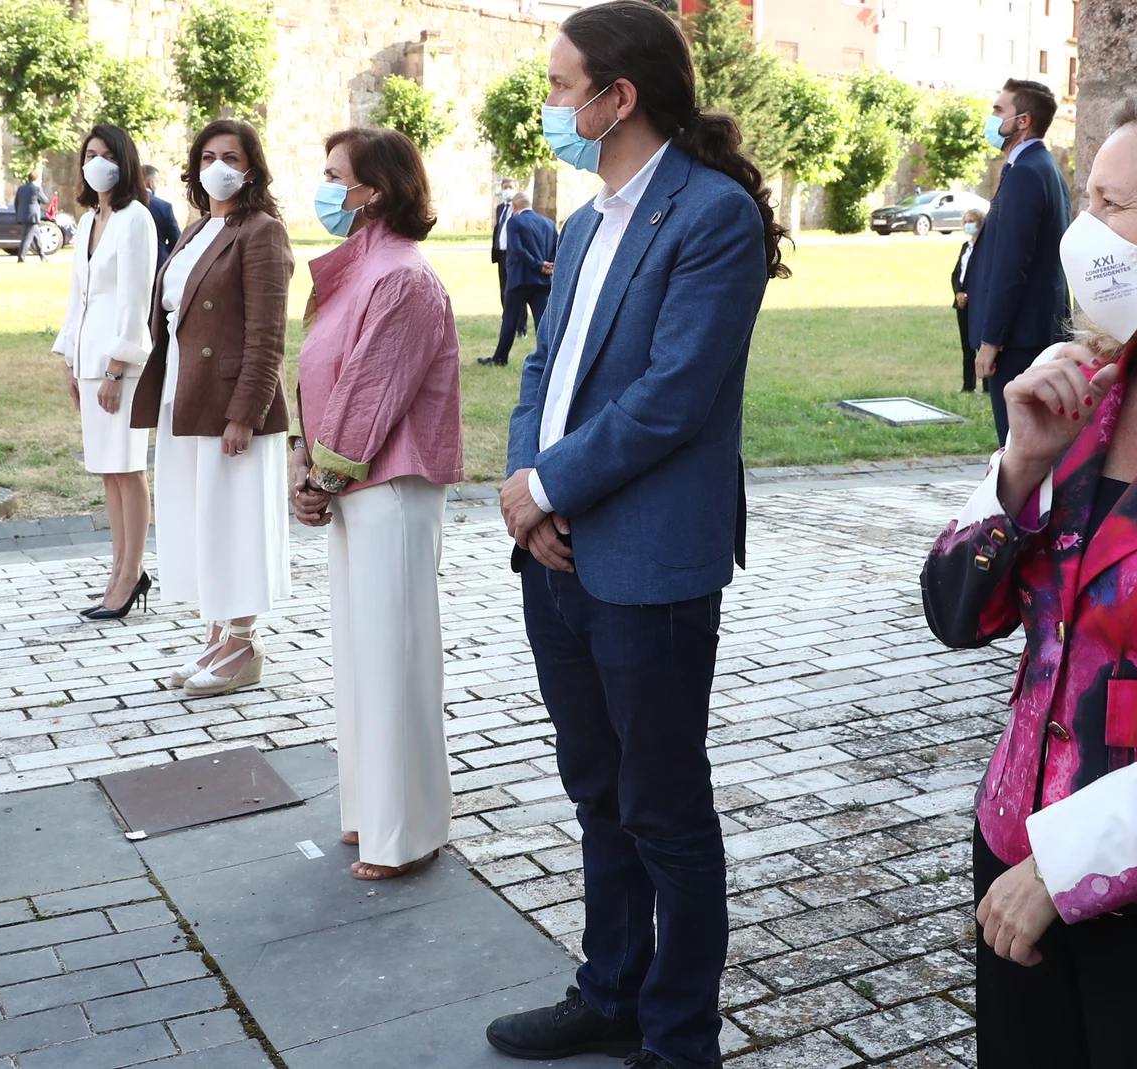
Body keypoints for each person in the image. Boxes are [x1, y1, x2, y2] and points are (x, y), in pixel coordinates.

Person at [923, 82, 1137, 1069]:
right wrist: (1018, 467)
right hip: (1016, 858)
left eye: (1114, 208)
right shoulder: (1082, 394)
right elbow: (955, 611)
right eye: (1085, 202)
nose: (1085, 235)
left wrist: (1068, 862)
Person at [483, 2, 785, 1066]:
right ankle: (609, 988)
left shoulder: (709, 218)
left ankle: (677, 1033)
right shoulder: (579, 221)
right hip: (556, 548)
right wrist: (528, 485)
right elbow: (540, 369)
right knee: (596, 790)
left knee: (662, 806)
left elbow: (672, 397)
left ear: (620, 97)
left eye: (563, 87)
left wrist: (548, 486)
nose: (551, 106)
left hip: (647, 557)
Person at [290, 127, 463, 881]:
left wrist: (319, 477)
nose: (326, 189)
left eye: (337, 177)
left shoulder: (402, 278)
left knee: (394, 660)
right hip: (353, 486)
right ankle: (370, 814)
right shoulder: (354, 272)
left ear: (378, 190)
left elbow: (370, 395)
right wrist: (309, 461)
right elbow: (326, 382)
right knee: (363, 660)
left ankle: (408, 834)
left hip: (390, 487)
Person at [131, 118, 294, 699]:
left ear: (251, 167)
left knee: (236, 519)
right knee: (201, 518)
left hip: (231, 404)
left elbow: (268, 334)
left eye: (230, 156)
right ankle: (219, 631)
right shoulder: (197, 227)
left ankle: (246, 643)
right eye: (206, 157)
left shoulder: (262, 231)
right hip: (185, 393)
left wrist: (246, 412)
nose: (217, 166)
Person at [53, 124, 156, 620]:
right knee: (108, 473)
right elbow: (80, 297)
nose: (96, 162)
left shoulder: (137, 218)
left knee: (128, 468)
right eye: (90, 153)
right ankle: (119, 568)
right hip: (89, 360)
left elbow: (136, 299)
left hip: (120, 364)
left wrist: (116, 368)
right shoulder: (91, 218)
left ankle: (132, 570)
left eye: (106, 154)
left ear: (125, 161)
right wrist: (71, 360)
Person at [971, 78, 1072, 444]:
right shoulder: (1038, 167)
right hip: (1034, 333)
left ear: (1023, 121)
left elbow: (1011, 266)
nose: (992, 118)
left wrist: (990, 340)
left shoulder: (1028, 173)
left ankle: (1018, 505)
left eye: (999, 111)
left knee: (1019, 446)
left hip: (1020, 340)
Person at [482, 191, 556, 367]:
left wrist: (538, 264)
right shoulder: (548, 224)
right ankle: (549, 358)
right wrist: (549, 265)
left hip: (520, 280)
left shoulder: (514, 221)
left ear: (514, 207)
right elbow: (557, 247)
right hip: (542, 281)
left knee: (510, 319)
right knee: (543, 323)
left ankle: (500, 358)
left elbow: (517, 250)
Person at [951, 207, 985, 393]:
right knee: (966, 346)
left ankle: (987, 385)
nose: (968, 225)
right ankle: (968, 385)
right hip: (962, 302)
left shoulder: (985, 248)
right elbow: (957, 273)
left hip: (977, 302)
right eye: (965, 221)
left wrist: (969, 294)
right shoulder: (966, 247)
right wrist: (958, 292)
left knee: (981, 344)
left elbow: (981, 276)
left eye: (971, 221)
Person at [143, 164, 182, 272]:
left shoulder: (123, 205)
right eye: (157, 181)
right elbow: (177, 241)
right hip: (157, 265)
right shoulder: (164, 207)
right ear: (151, 182)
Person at [490, 177, 517, 316]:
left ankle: (520, 324)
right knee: (503, 287)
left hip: (514, 254)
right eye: (505, 187)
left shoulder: (519, 207)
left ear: (516, 189)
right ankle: (506, 316)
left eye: (510, 187)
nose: (507, 190)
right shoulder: (500, 208)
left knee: (515, 289)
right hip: (501, 254)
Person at [15, 170, 47, 262]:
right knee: (27, 239)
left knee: (37, 238)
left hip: (24, 216)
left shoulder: (21, 189)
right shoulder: (36, 189)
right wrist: (41, 189)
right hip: (32, 217)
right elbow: (45, 200)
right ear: (36, 179)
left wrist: (19, 214)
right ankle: (21, 258)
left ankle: (43, 256)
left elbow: (16, 203)